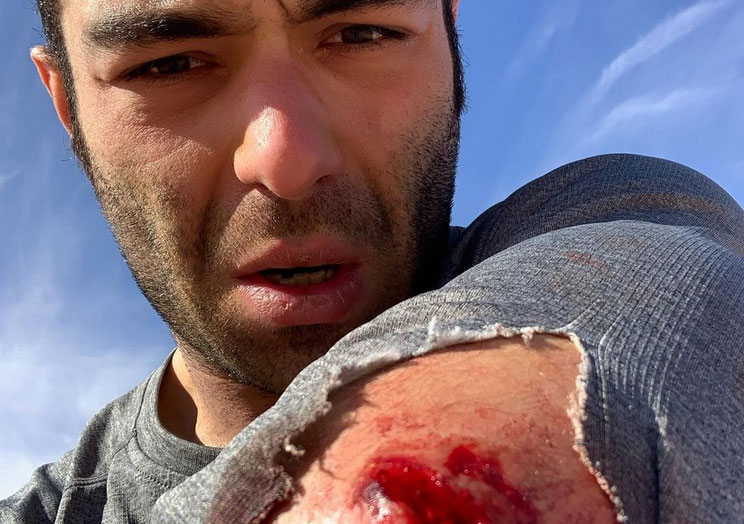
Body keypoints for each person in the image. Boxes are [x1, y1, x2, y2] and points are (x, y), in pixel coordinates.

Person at [2, 0, 743, 522]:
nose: (286, 160)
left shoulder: (626, 217)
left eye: (363, 33)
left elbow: (657, 280)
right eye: (167, 65)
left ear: (451, 40)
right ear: (66, 105)